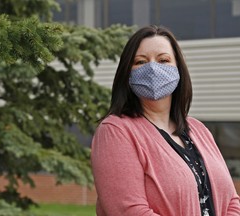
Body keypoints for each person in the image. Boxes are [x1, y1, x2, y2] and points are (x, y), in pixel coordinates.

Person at [91, 25, 240, 216]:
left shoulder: (198, 129)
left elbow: (232, 201)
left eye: (163, 60)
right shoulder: (116, 131)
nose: (153, 68)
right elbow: (128, 210)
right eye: (140, 62)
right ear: (127, 73)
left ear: (178, 69)